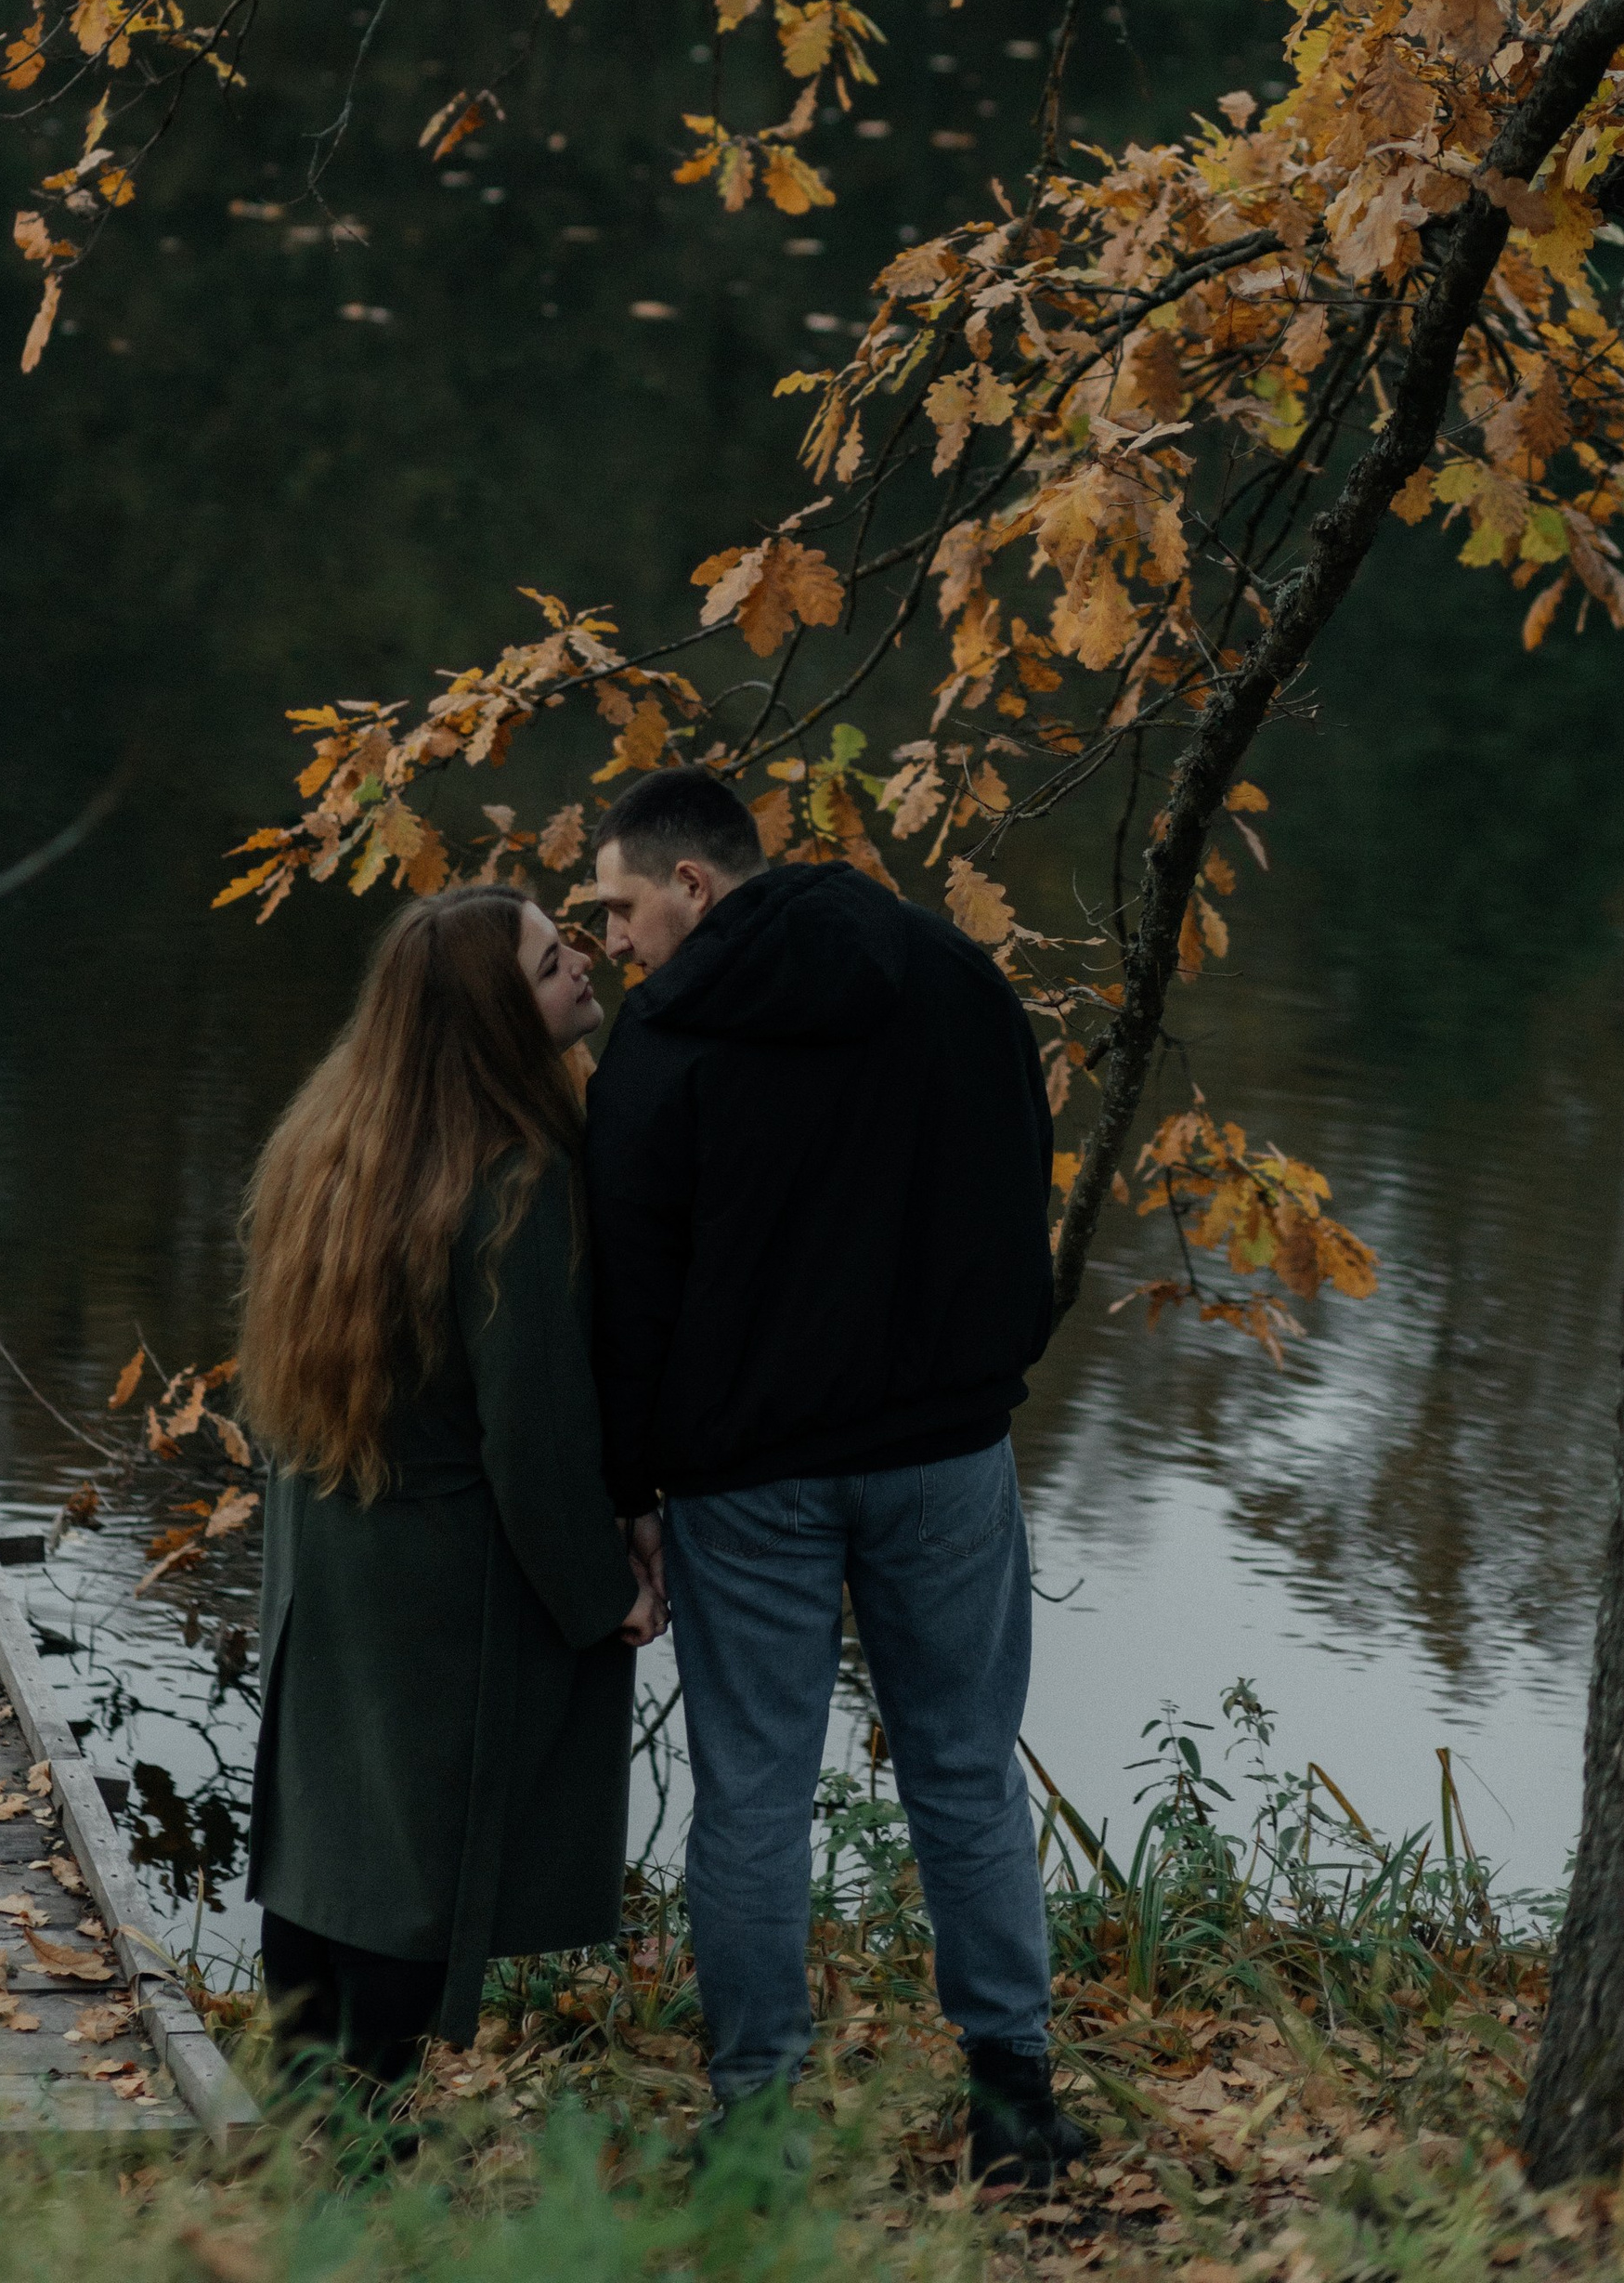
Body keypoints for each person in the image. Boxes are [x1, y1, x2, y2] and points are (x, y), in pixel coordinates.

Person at [584, 763, 1086, 2187]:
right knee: (965, 1768)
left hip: (749, 1480)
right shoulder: (947, 974)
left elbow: (627, 1289)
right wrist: (992, 1368)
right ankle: (1014, 2109)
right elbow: (1024, 1174)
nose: (611, 943)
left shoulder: (663, 1043)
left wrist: (632, 1487)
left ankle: (756, 2126)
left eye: (620, 909)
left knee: (754, 1793)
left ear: (693, 882)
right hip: (943, 1454)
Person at [239, 882, 664, 2098]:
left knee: (329, 1850)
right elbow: (535, 1439)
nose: (580, 963)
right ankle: (366, 2142)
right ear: (492, 1018)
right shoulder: (516, 1184)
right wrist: (606, 1594)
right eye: (547, 961)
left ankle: (308, 2116)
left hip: (329, 1554)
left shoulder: (329, 1144)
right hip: (440, 1587)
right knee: (417, 1872)